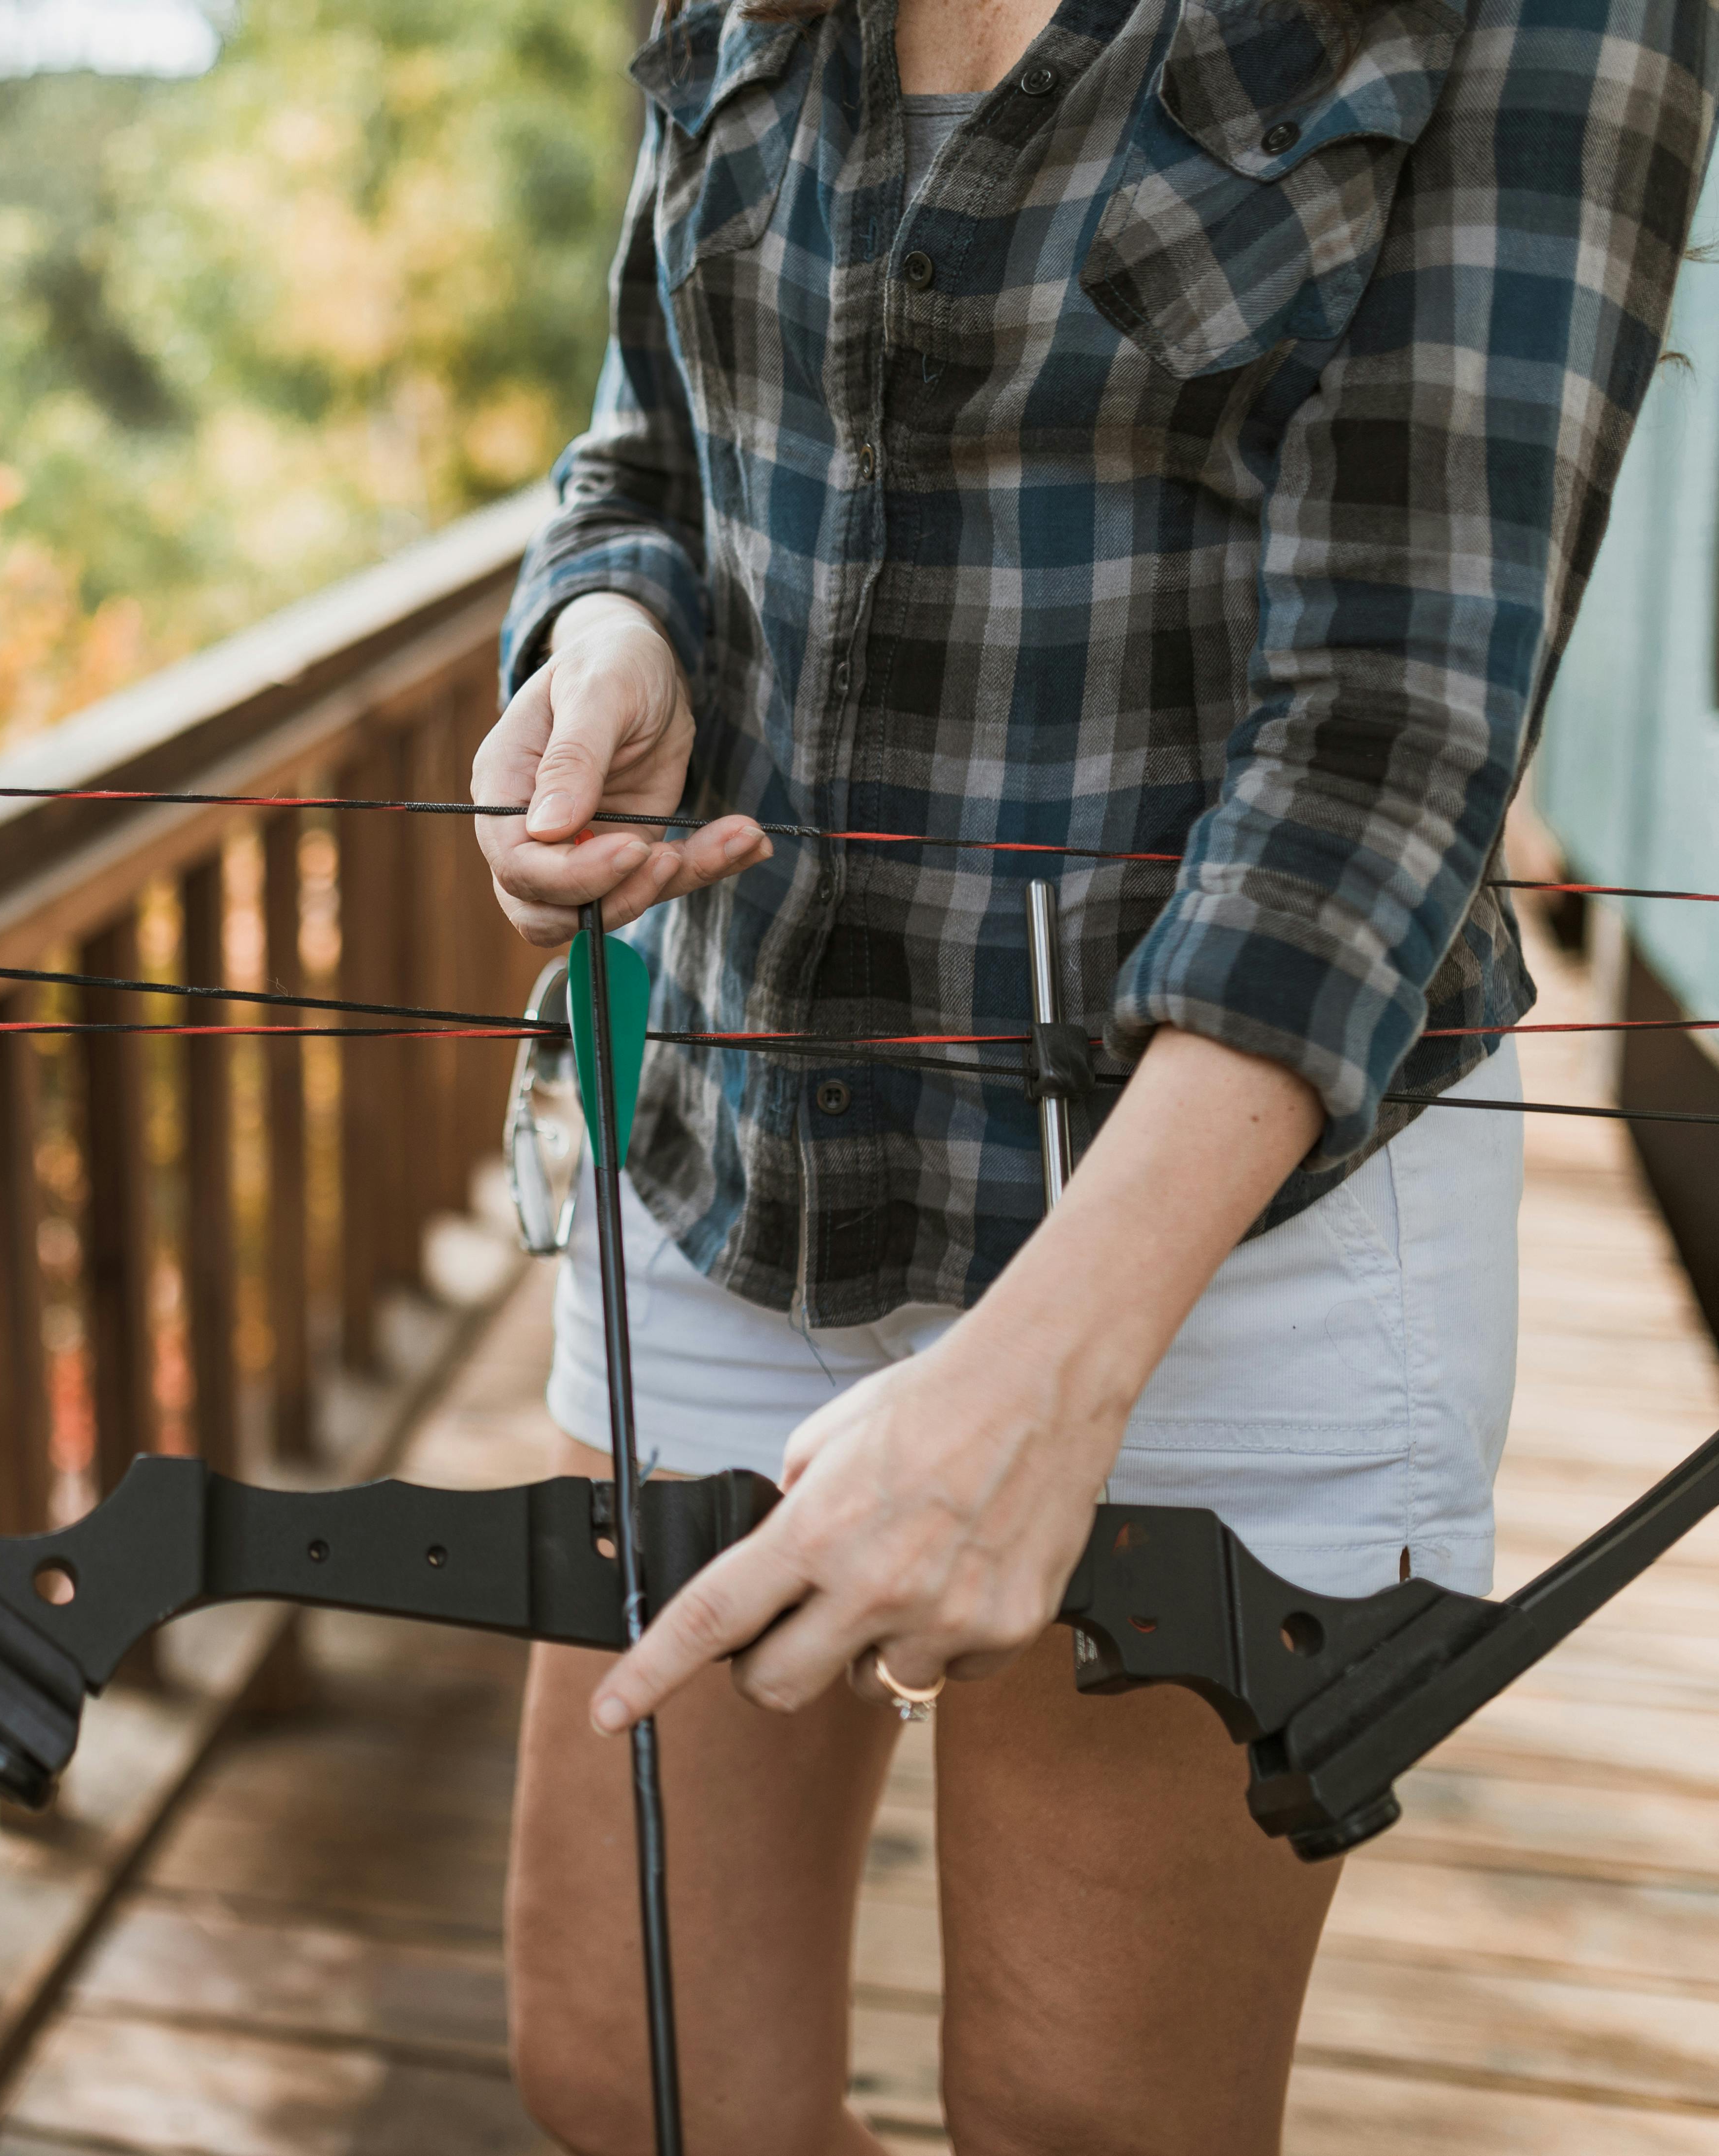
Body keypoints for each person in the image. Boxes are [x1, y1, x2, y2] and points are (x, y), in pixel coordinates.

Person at [473, 0, 1715, 2142]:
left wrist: (1047, 1376)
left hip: (1230, 1215)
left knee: (1081, 2120)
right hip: (739, 1148)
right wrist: (611, 640)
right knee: (632, 2076)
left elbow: (1400, 725)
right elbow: (646, 439)